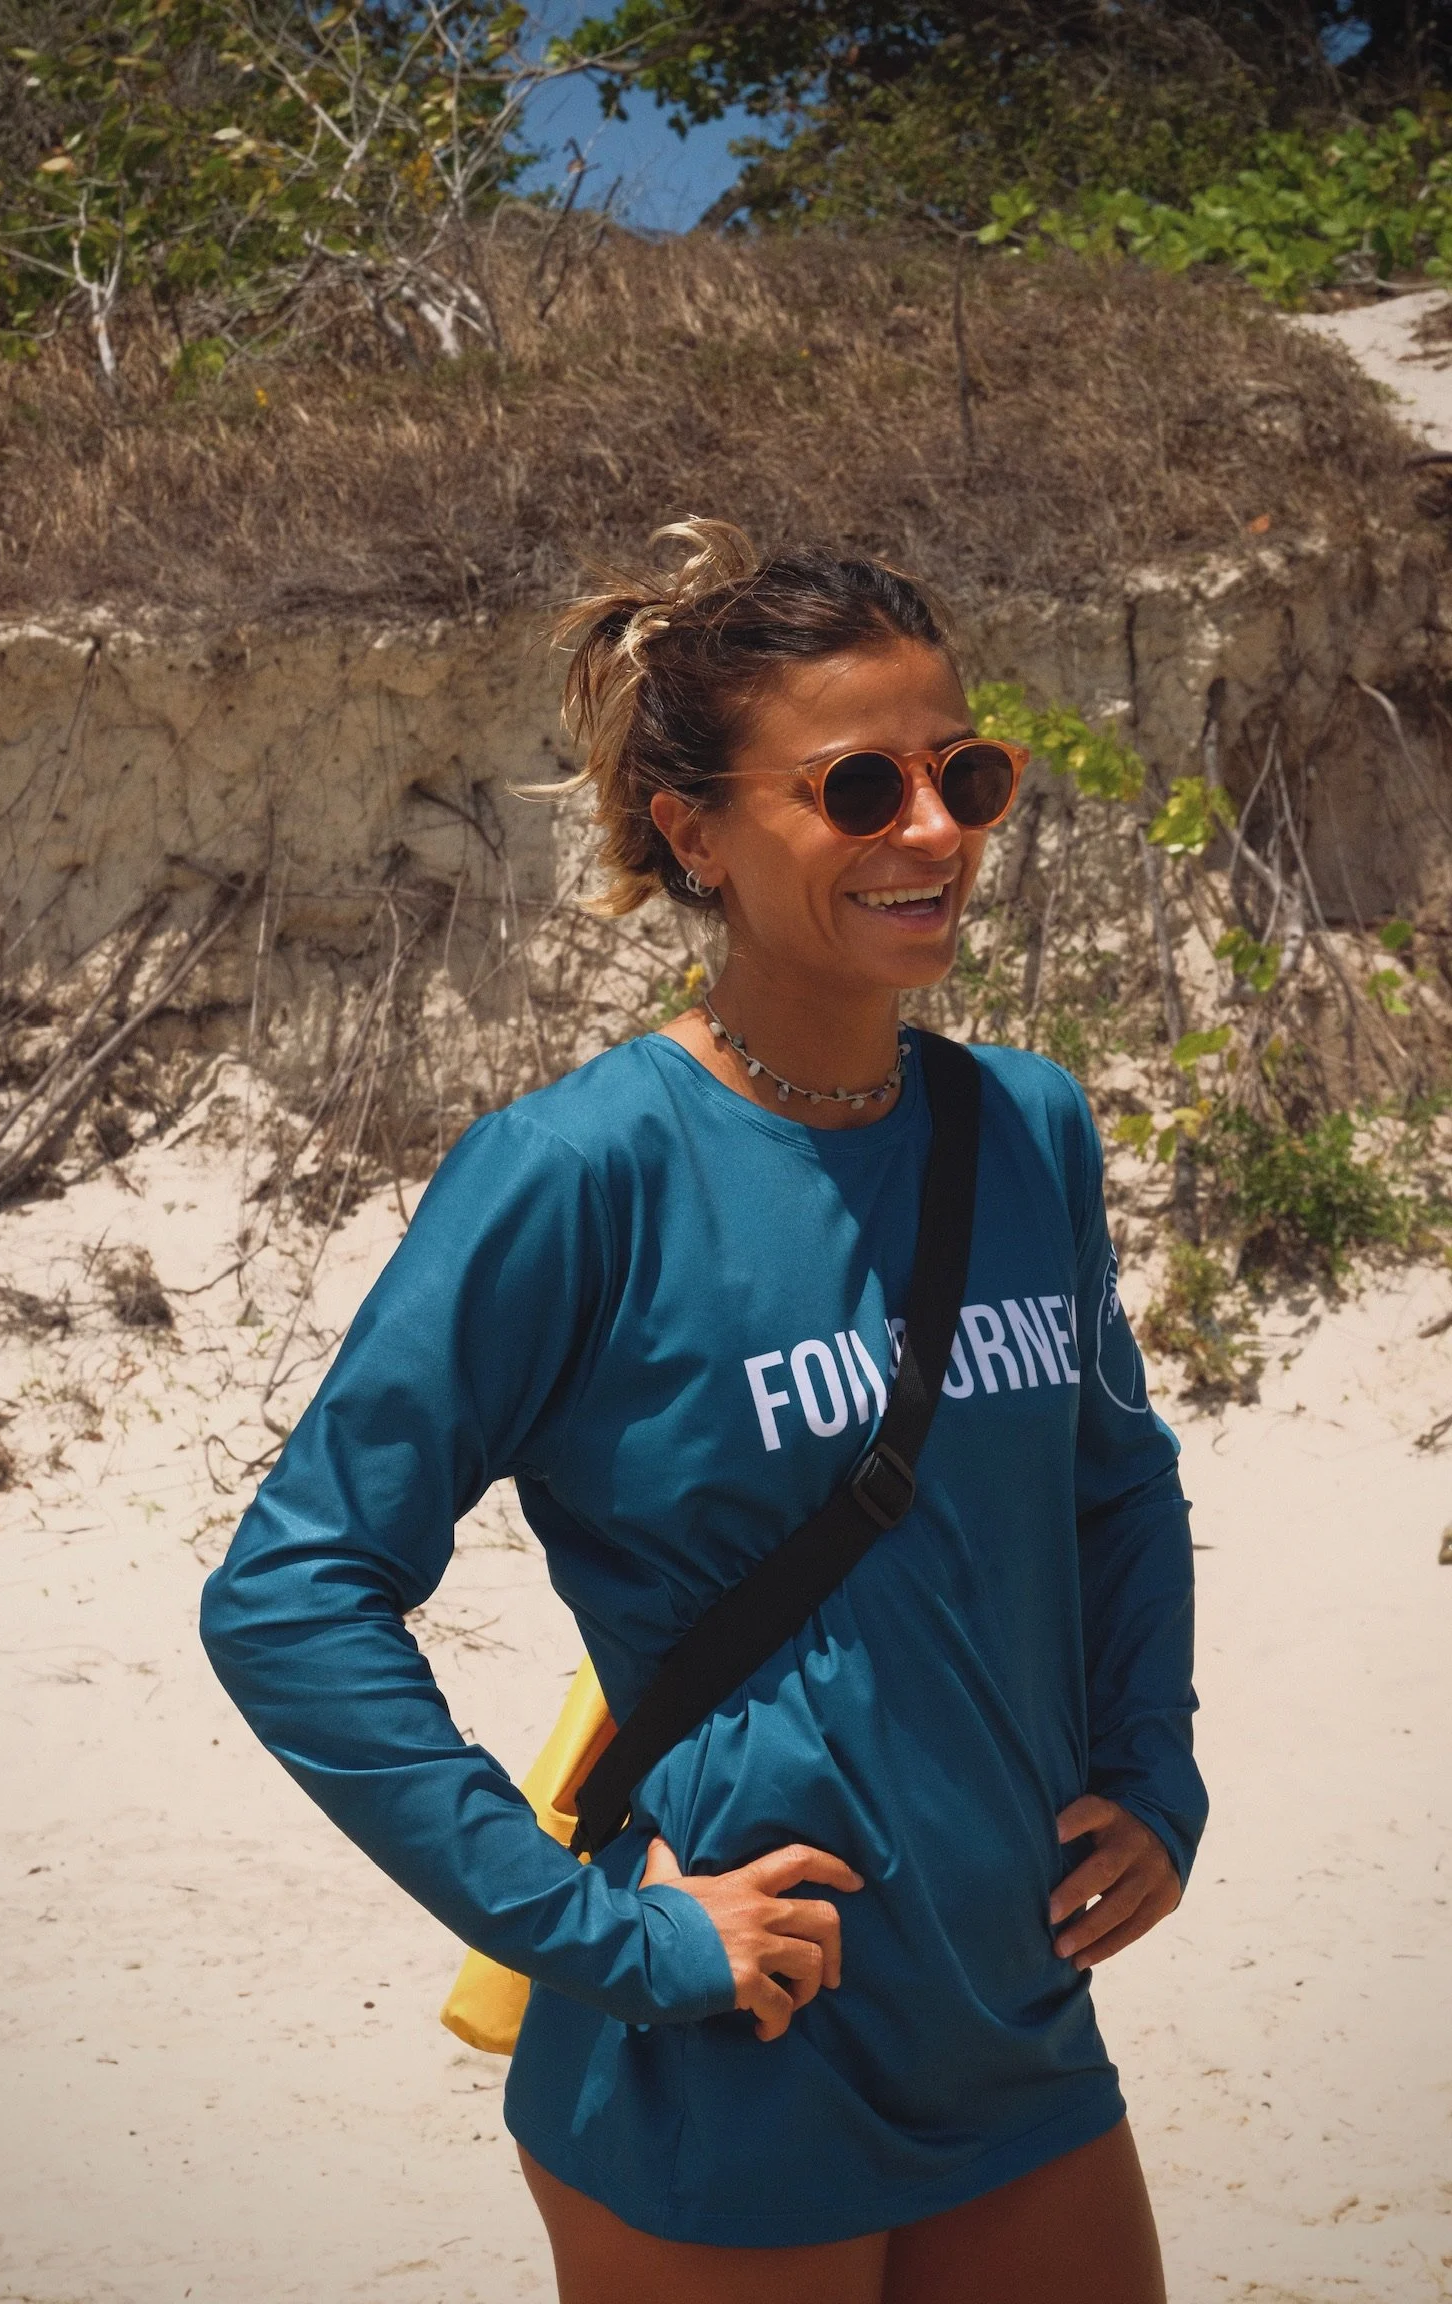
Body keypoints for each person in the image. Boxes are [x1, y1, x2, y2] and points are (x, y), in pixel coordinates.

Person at [200, 519, 1206, 2304]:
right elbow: (291, 1593)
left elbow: (1115, 1487)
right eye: (860, 786)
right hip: (734, 2042)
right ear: (694, 833)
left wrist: (1150, 1769)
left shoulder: (1026, 1129)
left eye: (964, 774)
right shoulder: (579, 1171)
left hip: (1016, 2030)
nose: (935, 832)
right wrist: (599, 1931)